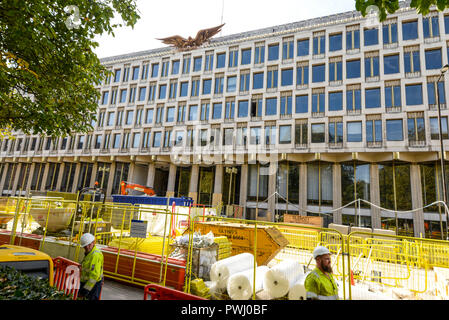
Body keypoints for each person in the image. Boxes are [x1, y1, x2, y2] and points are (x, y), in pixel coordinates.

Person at [78, 233, 104, 300]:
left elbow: (94, 275)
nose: (87, 247)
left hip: (93, 285)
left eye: (89, 244)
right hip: (87, 283)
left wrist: (86, 289)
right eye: (85, 246)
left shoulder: (95, 255)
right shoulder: (89, 253)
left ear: (93, 242)